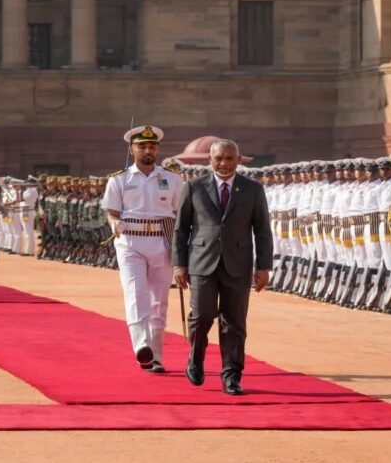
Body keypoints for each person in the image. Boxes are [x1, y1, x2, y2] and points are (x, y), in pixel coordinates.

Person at [172, 138, 272, 396]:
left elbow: (262, 230)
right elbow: (181, 229)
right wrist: (179, 264)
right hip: (201, 263)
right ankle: (196, 359)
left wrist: (264, 266)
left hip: (238, 265)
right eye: (219, 158)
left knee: (234, 323)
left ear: (238, 160)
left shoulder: (252, 189)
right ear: (210, 160)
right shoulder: (193, 187)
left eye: (230, 158)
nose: (225, 163)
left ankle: (231, 376)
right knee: (202, 315)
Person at [101, 125, 184, 373]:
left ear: (157, 149)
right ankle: (141, 346)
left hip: (162, 240)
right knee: (136, 294)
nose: (148, 150)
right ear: (132, 149)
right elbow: (112, 212)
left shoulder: (172, 179)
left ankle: (156, 356)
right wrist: (114, 223)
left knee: (159, 301)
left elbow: (180, 213)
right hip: (130, 242)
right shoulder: (119, 179)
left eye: (152, 146)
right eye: (142, 146)